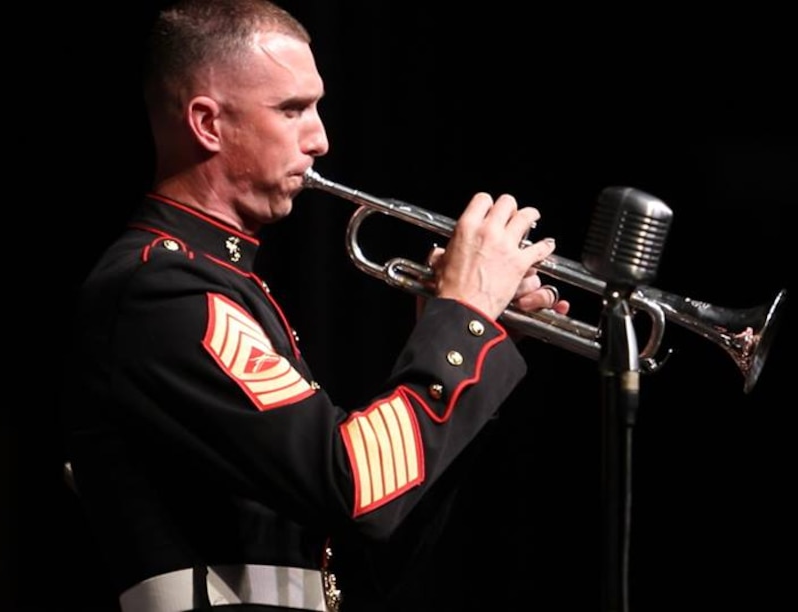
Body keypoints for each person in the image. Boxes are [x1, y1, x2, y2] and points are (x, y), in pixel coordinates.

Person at [61, 1, 570, 610]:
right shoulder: (161, 291)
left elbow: (375, 537)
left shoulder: (217, 284)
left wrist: (478, 343)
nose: (320, 139)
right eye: (293, 109)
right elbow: (353, 478)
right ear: (208, 124)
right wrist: (460, 319)